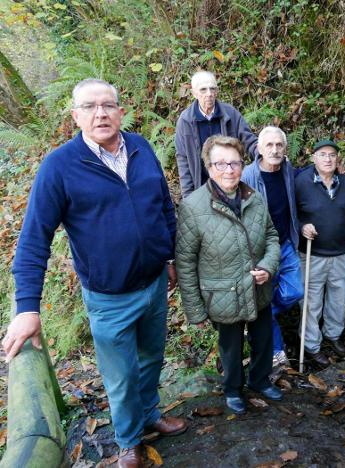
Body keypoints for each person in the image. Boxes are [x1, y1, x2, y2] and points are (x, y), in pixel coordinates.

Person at [2, 79, 187, 468]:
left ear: (121, 111)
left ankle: (150, 413)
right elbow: (34, 238)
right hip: (109, 296)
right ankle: (129, 439)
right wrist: (26, 308)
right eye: (90, 107)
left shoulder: (141, 147)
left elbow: (164, 208)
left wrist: (169, 258)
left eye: (108, 105)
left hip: (154, 283)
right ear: (75, 116)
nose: (100, 113)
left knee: (152, 357)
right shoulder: (59, 167)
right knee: (119, 377)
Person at [176, 135, 282, 415]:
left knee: (263, 338)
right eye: (220, 163)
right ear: (209, 168)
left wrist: (268, 267)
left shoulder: (254, 197)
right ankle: (233, 389)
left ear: (242, 164)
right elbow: (185, 262)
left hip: (258, 288)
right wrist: (196, 311)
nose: (229, 170)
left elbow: (272, 236)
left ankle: (260, 381)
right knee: (231, 346)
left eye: (234, 163)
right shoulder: (193, 207)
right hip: (223, 293)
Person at [241, 126, 304, 368]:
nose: (275, 150)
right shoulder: (248, 175)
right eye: (269, 145)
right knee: (264, 298)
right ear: (258, 148)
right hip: (261, 248)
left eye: (279, 145)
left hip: (286, 242)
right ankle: (277, 351)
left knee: (295, 291)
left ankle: (257, 318)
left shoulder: (287, 169)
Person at [295, 139, 345, 367]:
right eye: (323, 155)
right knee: (310, 303)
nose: (328, 159)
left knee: (339, 299)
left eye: (332, 155)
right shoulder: (300, 182)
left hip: (341, 254)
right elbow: (292, 213)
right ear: (313, 158)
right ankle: (311, 345)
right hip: (312, 254)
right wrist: (302, 226)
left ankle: (333, 335)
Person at [175, 70, 258, 198]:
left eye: (212, 89)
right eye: (203, 90)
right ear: (194, 93)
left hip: (230, 184)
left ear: (217, 91)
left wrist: (264, 155)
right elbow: (183, 159)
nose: (209, 94)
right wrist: (188, 196)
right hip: (202, 187)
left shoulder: (230, 113)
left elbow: (249, 140)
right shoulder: (185, 121)